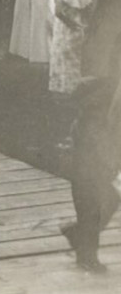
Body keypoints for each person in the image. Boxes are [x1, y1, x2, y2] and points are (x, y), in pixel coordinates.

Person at [60, 76, 121, 272]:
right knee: (93, 196)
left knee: (107, 196)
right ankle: (86, 254)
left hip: (101, 127)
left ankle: (80, 237)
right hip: (95, 134)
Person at [50, 0, 92, 94]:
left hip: (64, 29)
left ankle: (60, 85)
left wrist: (70, 23)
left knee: (61, 55)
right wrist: (81, 23)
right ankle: (73, 84)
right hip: (78, 29)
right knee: (74, 56)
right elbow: (87, 9)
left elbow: (58, 12)